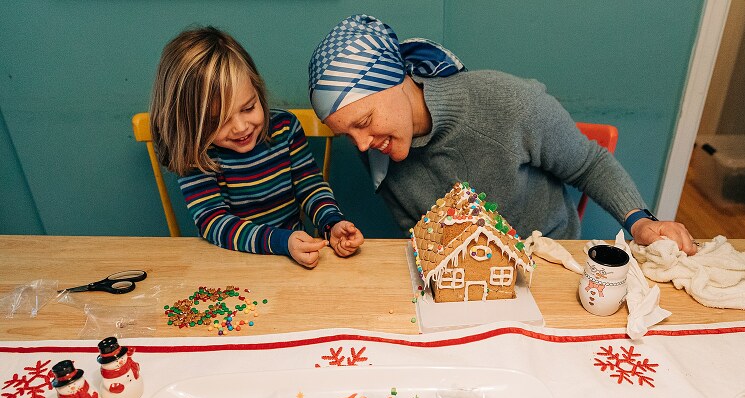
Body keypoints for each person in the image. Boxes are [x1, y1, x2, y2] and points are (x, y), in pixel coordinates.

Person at [308, 15, 697, 255]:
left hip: (550, 260)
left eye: (363, 122)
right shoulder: (378, 148)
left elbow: (590, 164)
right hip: (465, 276)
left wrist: (641, 222)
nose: (360, 144)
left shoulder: (508, 103)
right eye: (347, 135)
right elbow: (417, 231)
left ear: (395, 80)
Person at [150, 26, 364, 268]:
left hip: (294, 262)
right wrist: (282, 241)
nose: (241, 127)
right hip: (232, 265)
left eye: (248, 108)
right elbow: (214, 221)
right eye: (217, 121)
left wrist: (330, 223)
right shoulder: (196, 155)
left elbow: (311, 187)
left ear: (257, 90)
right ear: (190, 123)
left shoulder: (285, 128)